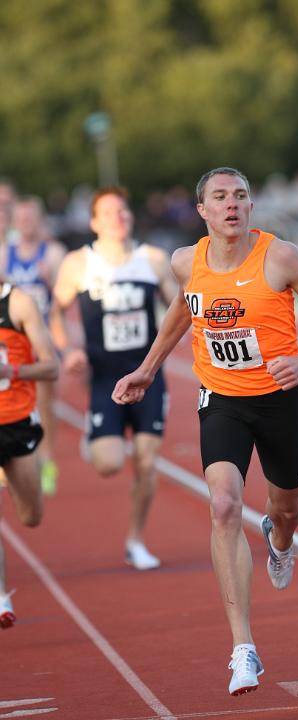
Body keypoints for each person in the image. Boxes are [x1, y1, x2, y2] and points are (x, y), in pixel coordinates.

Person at [111, 167, 298, 696]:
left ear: (251, 206)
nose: (232, 205)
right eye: (220, 198)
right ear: (203, 211)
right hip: (221, 401)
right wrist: (148, 368)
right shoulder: (185, 261)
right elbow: (182, 306)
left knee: (288, 508)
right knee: (222, 505)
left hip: (279, 399)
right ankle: (243, 648)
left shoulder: (281, 256)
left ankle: (279, 540)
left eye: (241, 196)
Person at [52, 186, 177, 571]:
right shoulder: (78, 264)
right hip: (105, 377)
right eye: (108, 213)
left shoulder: (152, 259)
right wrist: (68, 350)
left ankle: (135, 540)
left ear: (130, 216)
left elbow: (180, 307)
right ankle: (97, 436)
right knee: (108, 464)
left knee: (145, 459)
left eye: (122, 211)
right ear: (93, 222)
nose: (117, 218)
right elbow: (56, 311)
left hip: (146, 374)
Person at [0, 280, 59, 628]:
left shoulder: (18, 303)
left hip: (18, 422)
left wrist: (13, 371)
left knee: (31, 515)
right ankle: (2, 596)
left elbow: (51, 366)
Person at [7, 195, 66, 496]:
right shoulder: (6, 253)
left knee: (44, 403)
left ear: (39, 220)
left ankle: (47, 461)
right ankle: (14, 458)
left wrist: (50, 281)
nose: (26, 224)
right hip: (13, 341)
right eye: (21, 219)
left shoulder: (52, 253)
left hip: (43, 339)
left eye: (31, 218)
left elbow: (66, 298)